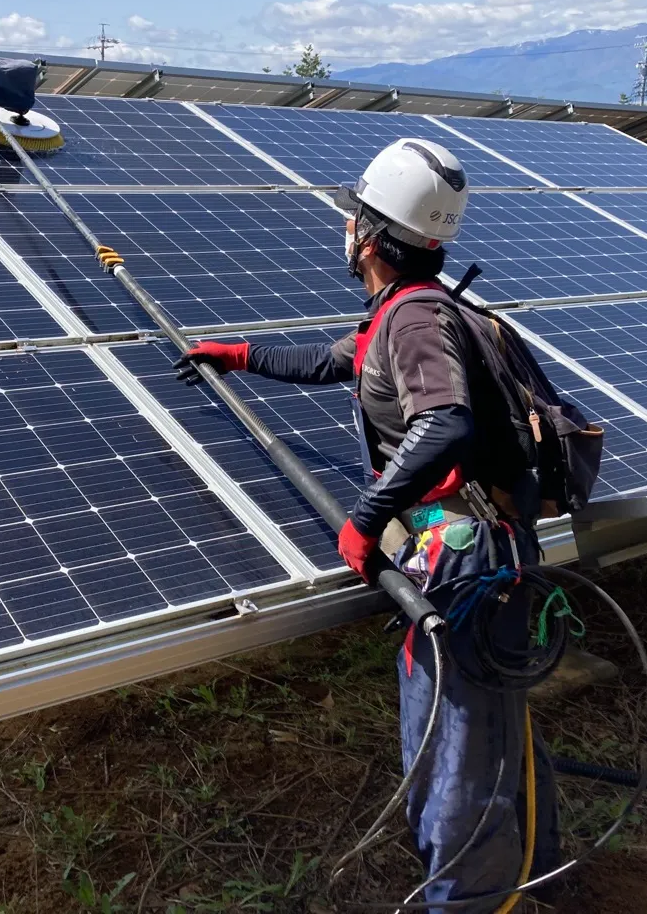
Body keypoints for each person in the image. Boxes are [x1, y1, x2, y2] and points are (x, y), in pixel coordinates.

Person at [174, 139, 560, 913]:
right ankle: (534, 867)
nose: (344, 227)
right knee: (489, 724)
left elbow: (443, 423)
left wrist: (366, 516)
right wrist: (240, 354)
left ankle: (467, 902)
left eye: (354, 215)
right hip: (487, 551)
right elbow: (339, 360)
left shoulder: (415, 318)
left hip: (461, 561)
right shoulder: (418, 309)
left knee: (452, 739)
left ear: (371, 234)